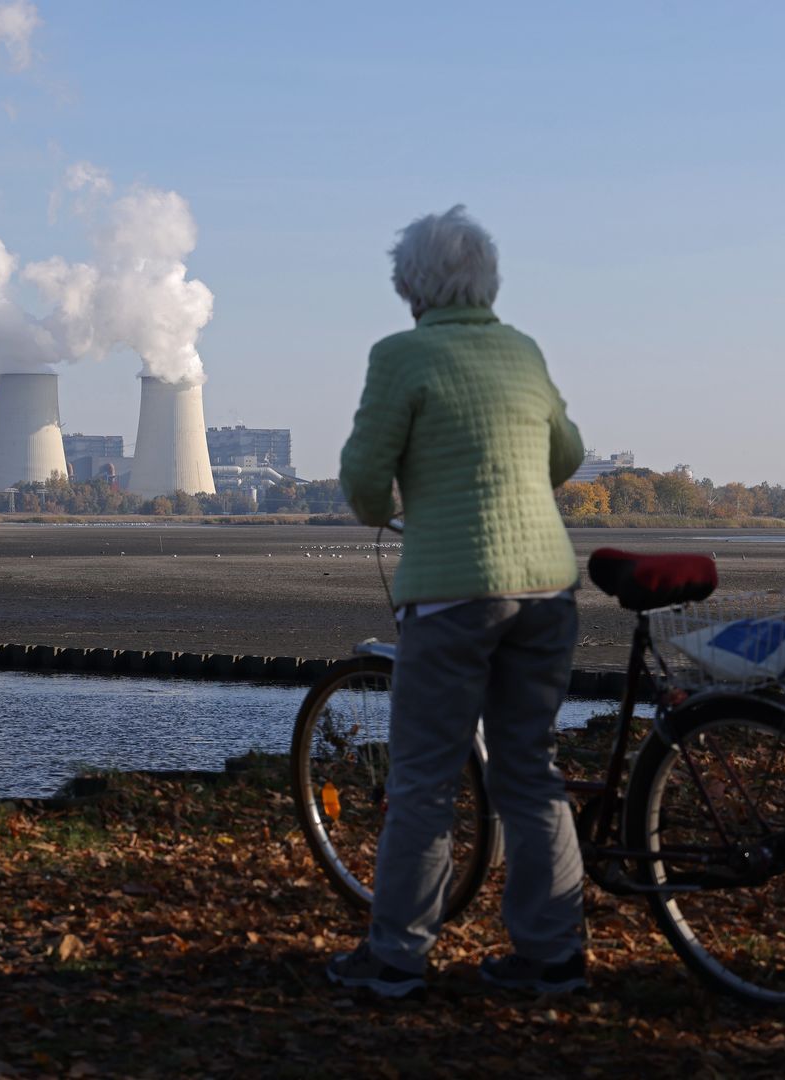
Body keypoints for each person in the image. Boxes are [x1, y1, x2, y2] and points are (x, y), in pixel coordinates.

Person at [327, 205, 587, 998]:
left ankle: (396, 956)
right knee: (529, 770)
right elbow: (567, 452)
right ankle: (551, 955)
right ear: (487, 278)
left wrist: (395, 505)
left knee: (424, 780)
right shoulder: (521, 350)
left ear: (410, 284)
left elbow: (367, 481)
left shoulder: (401, 356)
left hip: (450, 594)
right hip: (545, 585)